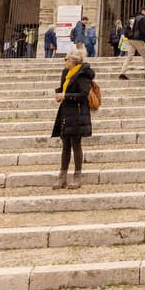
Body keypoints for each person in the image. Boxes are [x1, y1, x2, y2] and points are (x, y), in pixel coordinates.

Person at [51, 47, 94, 189]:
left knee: (76, 144)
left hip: (77, 113)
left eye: (66, 59)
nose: (64, 61)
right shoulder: (66, 72)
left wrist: (66, 96)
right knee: (65, 145)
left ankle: (77, 175)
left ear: (73, 61)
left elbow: (83, 95)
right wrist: (59, 94)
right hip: (65, 111)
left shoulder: (83, 74)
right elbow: (64, 88)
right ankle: (62, 176)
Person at [120, 7, 145, 80]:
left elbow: (126, 28)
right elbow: (142, 31)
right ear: (143, 11)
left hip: (130, 39)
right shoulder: (142, 18)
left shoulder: (133, 18)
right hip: (138, 39)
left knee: (129, 57)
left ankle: (122, 73)